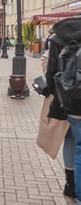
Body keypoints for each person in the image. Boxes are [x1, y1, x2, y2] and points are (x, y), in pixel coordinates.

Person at [46, 17, 80, 200]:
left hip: (67, 98)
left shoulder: (58, 38)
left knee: (71, 141)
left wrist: (52, 93)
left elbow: (51, 71)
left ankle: (71, 185)